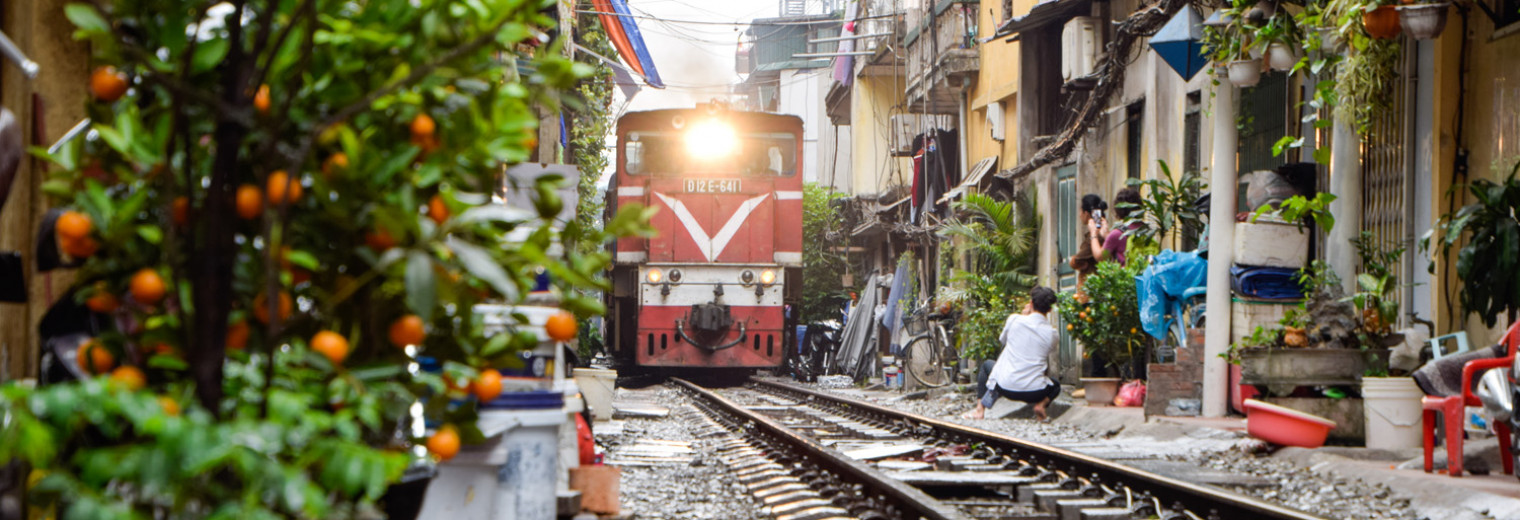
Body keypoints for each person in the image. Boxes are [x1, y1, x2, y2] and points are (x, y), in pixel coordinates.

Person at [965, 287, 1061, 421]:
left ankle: (980, 410)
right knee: (1055, 385)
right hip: (1034, 393)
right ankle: (1041, 405)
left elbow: (1002, 340)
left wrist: (1023, 316)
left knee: (988, 366)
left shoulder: (1015, 319)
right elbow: (1044, 350)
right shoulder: (1053, 334)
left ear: (1031, 304)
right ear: (1050, 309)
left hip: (1005, 387)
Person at [1071, 194, 1108, 297]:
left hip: (1091, 291)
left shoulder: (1096, 235)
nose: (1079, 215)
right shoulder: (1102, 231)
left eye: (1080, 211)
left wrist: (1073, 260)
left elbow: (1078, 259)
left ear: (1086, 214)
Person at [1095, 187, 1142, 266]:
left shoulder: (1117, 234)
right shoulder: (1145, 229)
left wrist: (1093, 234)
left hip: (1127, 277)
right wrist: (1107, 235)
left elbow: (1101, 257)